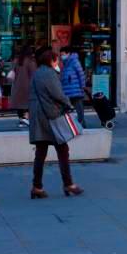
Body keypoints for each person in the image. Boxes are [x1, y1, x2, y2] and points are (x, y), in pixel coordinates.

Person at [28, 49, 83, 199]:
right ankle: (68, 184)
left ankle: (37, 187)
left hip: (38, 117)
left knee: (40, 152)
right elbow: (58, 94)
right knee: (63, 149)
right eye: (56, 59)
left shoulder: (37, 73)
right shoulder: (49, 73)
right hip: (50, 117)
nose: (58, 62)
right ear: (50, 60)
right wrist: (68, 104)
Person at [59, 47, 86, 127]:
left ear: (68, 54)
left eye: (63, 54)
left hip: (76, 91)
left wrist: (82, 87)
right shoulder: (65, 63)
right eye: (61, 55)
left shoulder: (74, 61)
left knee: (79, 109)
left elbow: (81, 74)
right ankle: (67, 124)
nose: (62, 56)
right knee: (66, 108)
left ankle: (82, 124)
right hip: (67, 91)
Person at [11, 46, 37, 127]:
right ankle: (26, 119)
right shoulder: (30, 61)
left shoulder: (16, 60)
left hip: (17, 85)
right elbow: (34, 74)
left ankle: (21, 120)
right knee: (27, 103)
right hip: (28, 86)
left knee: (20, 104)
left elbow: (12, 72)